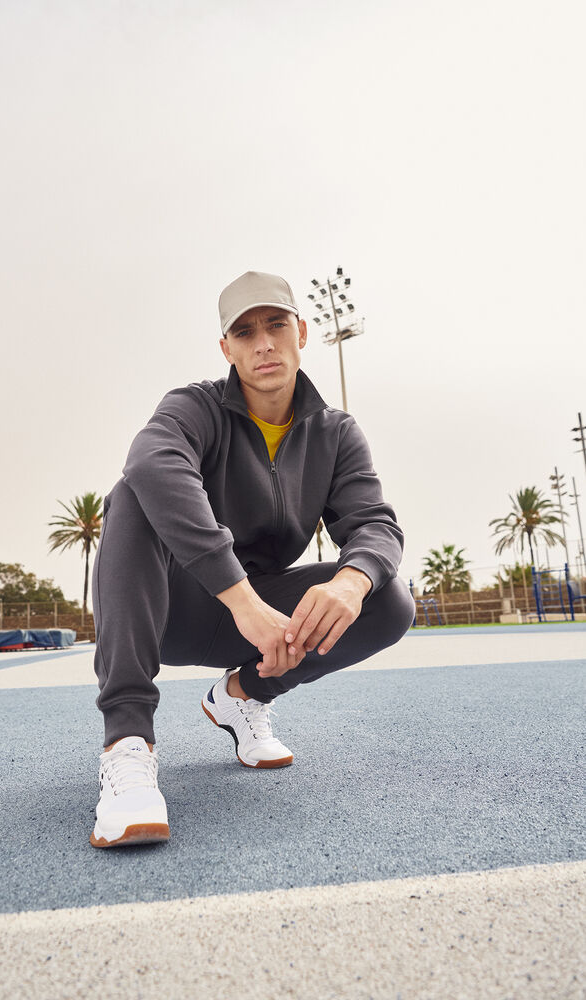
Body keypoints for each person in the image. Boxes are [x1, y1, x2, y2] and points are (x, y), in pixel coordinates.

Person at [89, 270, 415, 848]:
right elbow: (152, 462)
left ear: (301, 333)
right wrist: (242, 599)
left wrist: (351, 581)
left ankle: (242, 697)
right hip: (167, 612)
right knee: (134, 492)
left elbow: (375, 524)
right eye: (245, 332)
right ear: (227, 349)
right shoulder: (194, 406)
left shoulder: (336, 434)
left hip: (259, 628)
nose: (263, 343)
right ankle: (128, 744)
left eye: (276, 325)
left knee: (386, 597)